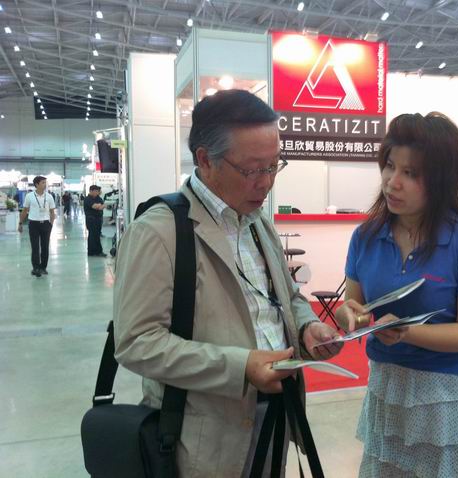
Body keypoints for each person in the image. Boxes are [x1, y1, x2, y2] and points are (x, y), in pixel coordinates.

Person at [112, 90, 342, 477]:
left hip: (275, 416)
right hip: (203, 436)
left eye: (274, 166)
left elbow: (287, 297)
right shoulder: (158, 232)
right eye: (252, 170)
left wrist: (307, 327)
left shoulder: (257, 223)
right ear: (205, 160)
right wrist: (240, 367)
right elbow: (136, 343)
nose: (266, 183)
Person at [335, 113, 458, 477]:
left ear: (441, 179)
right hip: (388, 387)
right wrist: (350, 316)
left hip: (448, 395)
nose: (392, 182)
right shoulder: (365, 237)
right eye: (390, 166)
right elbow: (355, 306)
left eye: (411, 173)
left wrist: (406, 331)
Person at [18, 176, 56, 277]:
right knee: (35, 247)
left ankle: (43, 267)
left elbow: (52, 212)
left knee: (45, 247)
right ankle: (36, 268)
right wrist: (20, 223)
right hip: (33, 224)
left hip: (46, 224)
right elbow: (24, 211)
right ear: (37, 184)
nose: (45, 184)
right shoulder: (29, 196)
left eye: (45, 182)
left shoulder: (49, 197)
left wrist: (51, 224)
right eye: (43, 182)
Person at [84, 185, 107, 257]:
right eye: (96, 191)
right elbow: (95, 206)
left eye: (97, 191)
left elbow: (103, 206)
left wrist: (99, 206)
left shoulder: (98, 198)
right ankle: (94, 252)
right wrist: (99, 206)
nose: (97, 192)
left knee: (97, 235)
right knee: (92, 235)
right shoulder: (87, 199)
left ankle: (96, 251)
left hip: (98, 219)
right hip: (91, 220)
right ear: (91, 191)